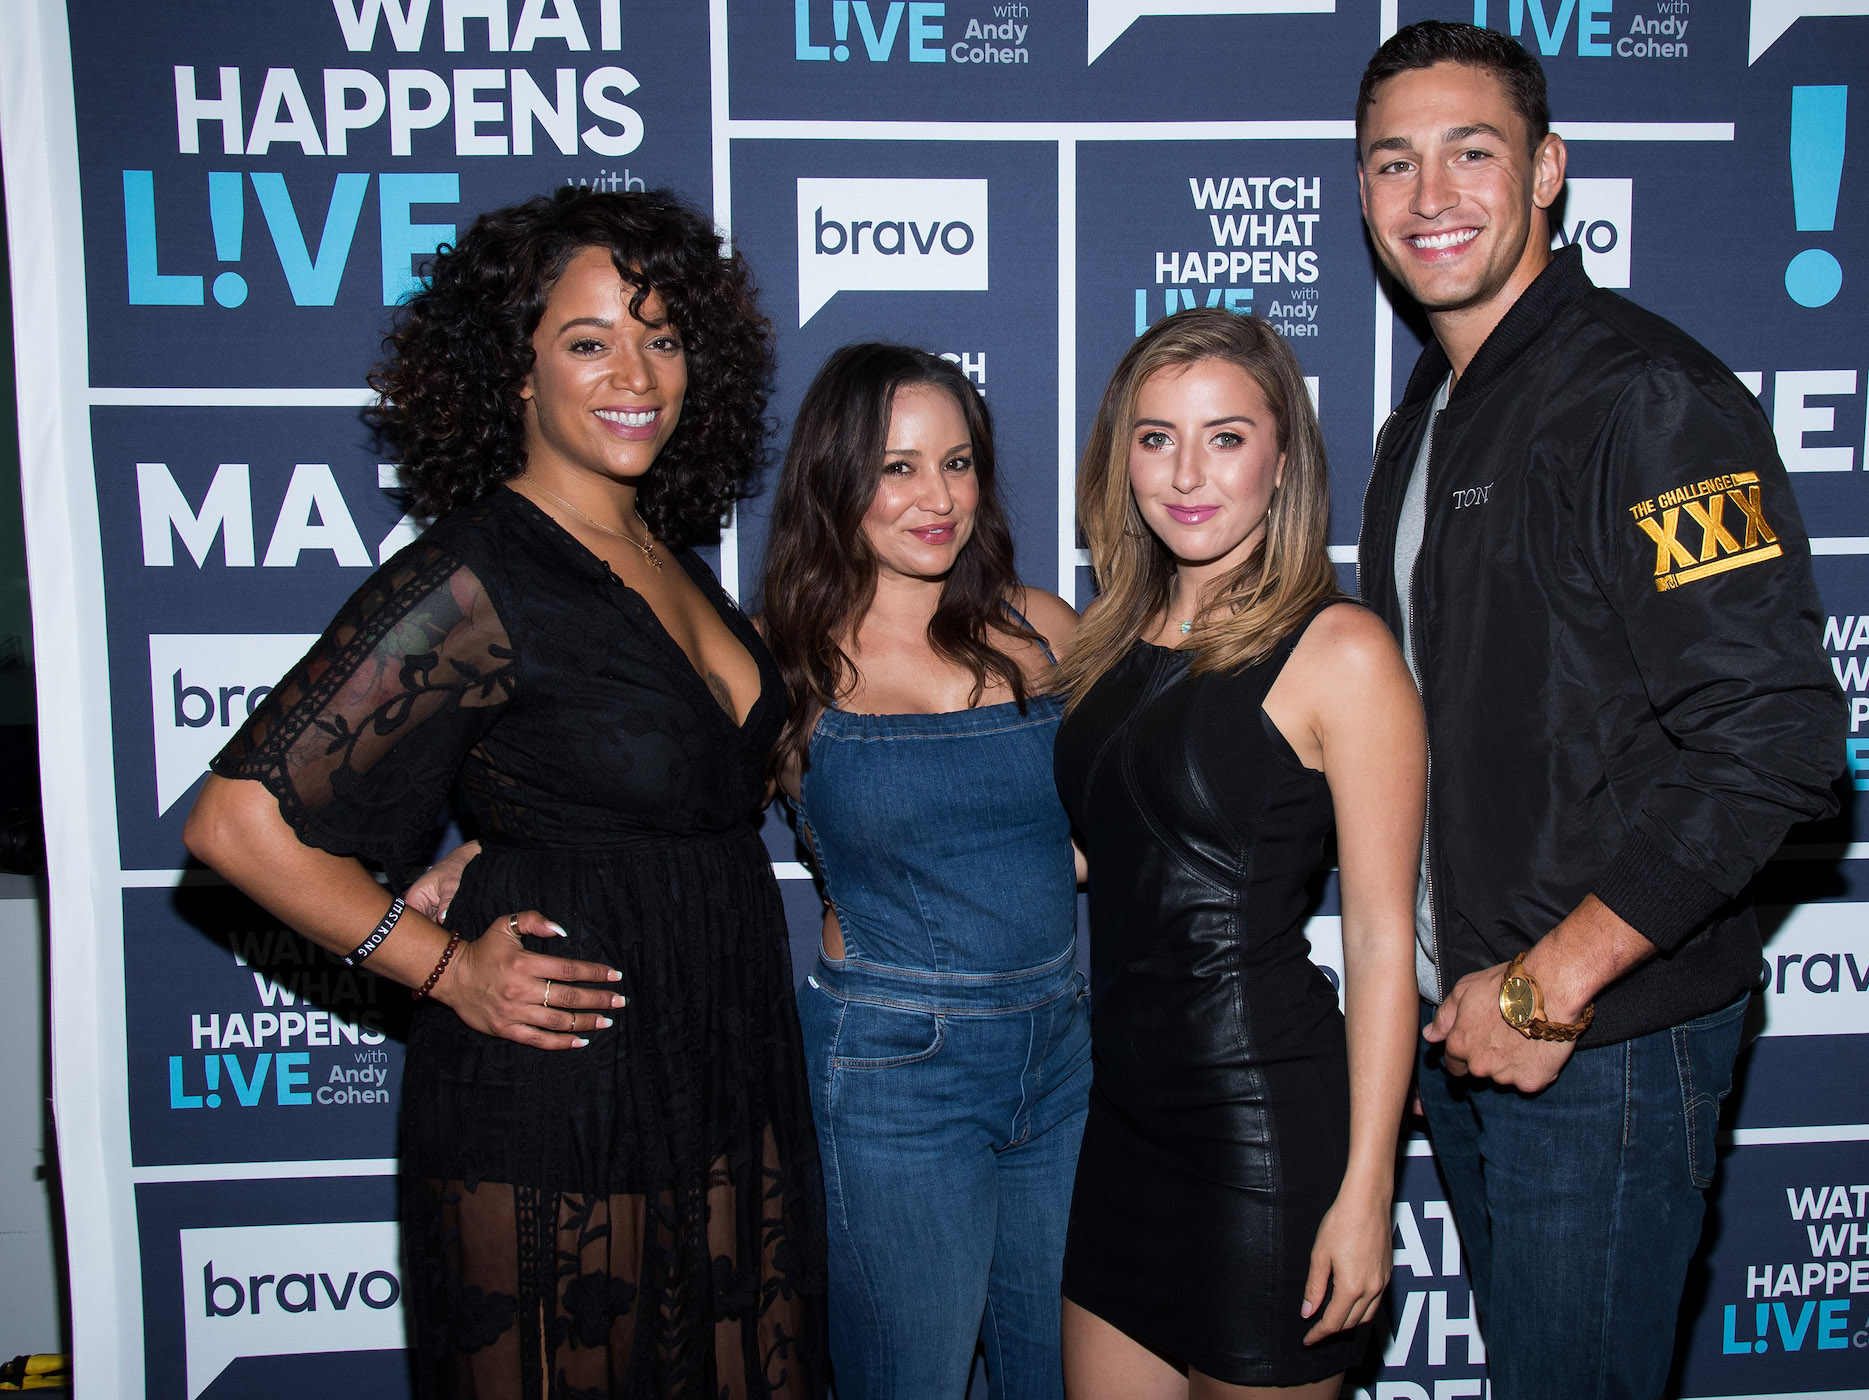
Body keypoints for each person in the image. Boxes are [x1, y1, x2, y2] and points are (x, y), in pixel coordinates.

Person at [182, 187, 828, 1399]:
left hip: (719, 1058)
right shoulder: (474, 572)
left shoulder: (664, 556)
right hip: (563, 1093)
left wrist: (507, 830)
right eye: (589, 340)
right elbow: (238, 822)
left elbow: (627, 777)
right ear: (513, 372)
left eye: (664, 336)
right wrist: (440, 965)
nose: (636, 370)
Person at [1352, 22, 1849, 1398]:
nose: (1431, 195)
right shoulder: (1430, 420)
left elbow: (1781, 740)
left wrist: (1548, 982)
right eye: (1395, 162)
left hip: (1600, 1043)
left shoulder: (1643, 395)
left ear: (1550, 169)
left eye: (1473, 153)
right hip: (1477, 1030)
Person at [1054, 307, 1423, 1398]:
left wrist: (1365, 1190)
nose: (1186, 472)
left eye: (1225, 435)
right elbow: (1116, 856)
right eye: (1156, 434)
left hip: (1262, 1132)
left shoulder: (1340, 648)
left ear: (1281, 455)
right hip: (1119, 1123)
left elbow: (1380, 937)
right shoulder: (1105, 641)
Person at [757, 343, 1091, 1400]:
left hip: (1062, 1057)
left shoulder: (1043, 626)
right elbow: (640, 793)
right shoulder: (780, 659)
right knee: (910, 1379)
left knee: (1057, 1376)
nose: (936, 497)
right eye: (896, 467)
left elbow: (1136, 802)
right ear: (836, 479)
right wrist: (489, 852)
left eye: (957, 462)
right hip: (895, 1068)